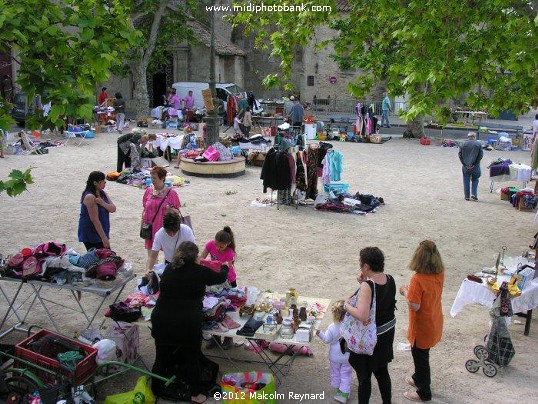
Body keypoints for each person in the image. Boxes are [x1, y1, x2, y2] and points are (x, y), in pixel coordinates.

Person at [150, 241, 229, 403]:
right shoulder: (199, 271)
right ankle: (195, 394)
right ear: (195, 257)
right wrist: (226, 266)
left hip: (162, 319)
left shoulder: (169, 268)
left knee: (161, 356)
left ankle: (156, 388)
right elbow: (221, 277)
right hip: (186, 323)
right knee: (191, 357)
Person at [345, 246, 397, 404]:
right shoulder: (390, 279)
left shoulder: (367, 286)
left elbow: (362, 315)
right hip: (386, 334)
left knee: (364, 377)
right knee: (382, 372)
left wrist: (346, 305)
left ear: (366, 266)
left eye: (361, 263)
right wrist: (364, 282)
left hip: (370, 338)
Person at [399, 240, 444, 402]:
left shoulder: (418, 279)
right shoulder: (440, 272)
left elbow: (414, 305)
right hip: (434, 319)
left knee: (420, 357)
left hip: (422, 326)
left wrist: (405, 291)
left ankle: (424, 392)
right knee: (423, 355)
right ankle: (417, 378)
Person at [201, 226, 237, 350]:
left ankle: (228, 338)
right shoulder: (210, 244)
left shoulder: (230, 253)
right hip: (215, 280)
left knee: (227, 309)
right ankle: (215, 338)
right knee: (214, 309)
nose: (217, 248)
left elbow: (225, 269)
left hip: (228, 280)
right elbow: (202, 258)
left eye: (221, 246)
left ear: (227, 244)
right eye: (216, 245)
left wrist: (213, 265)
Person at [315, 300, 352, 403]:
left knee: (336, 373)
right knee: (346, 374)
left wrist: (319, 333)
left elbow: (327, 339)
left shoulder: (332, 327)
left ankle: (339, 391)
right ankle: (345, 393)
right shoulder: (351, 325)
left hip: (335, 356)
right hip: (348, 356)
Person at [142, 166, 181, 253]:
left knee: (168, 255)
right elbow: (145, 209)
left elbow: (177, 211)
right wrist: (143, 225)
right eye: (151, 177)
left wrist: (170, 209)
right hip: (150, 228)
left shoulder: (171, 193)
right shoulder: (148, 191)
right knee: (151, 254)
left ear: (162, 178)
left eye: (154, 178)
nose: (152, 180)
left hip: (165, 228)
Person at [78, 171, 116, 250]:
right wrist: (104, 238)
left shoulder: (103, 193)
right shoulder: (90, 197)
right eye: (102, 181)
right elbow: (94, 220)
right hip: (91, 232)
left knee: (105, 257)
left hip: (102, 230)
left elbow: (113, 209)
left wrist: (103, 203)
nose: (105, 183)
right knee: (100, 258)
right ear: (95, 183)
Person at [458, 131, 483, 201]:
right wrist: (475, 163)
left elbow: (460, 155)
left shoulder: (463, 144)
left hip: (466, 166)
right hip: (475, 166)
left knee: (466, 180)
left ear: (468, 137)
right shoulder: (478, 144)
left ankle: (467, 196)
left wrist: (464, 164)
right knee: (475, 179)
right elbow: (480, 155)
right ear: (474, 137)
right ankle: (474, 194)